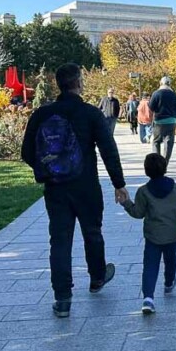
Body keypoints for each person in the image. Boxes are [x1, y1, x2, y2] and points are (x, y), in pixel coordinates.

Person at [21, 63, 128, 318]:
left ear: (59, 83)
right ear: (79, 83)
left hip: (56, 189)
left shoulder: (42, 114)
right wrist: (119, 184)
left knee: (59, 241)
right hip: (86, 185)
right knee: (92, 232)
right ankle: (97, 277)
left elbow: (27, 152)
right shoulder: (90, 113)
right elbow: (108, 150)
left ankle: (63, 298)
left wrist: (49, 169)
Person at [121, 152, 176, 314]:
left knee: (150, 265)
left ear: (146, 171)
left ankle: (148, 298)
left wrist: (126, 203)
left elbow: (138, 213)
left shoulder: (143, 191)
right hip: (173, 234)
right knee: (170, 259)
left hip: (153, 236)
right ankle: (169, 282)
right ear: (165, 168)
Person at [148, 76, 176, 166]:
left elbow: (151, 107)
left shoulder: (156, 93)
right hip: (172, 120)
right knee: (169, 142)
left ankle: (157, 163)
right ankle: (165, 162)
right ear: (170, 84)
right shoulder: (173, 94)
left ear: (160, 83)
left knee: (156, 141)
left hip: (159, 121)